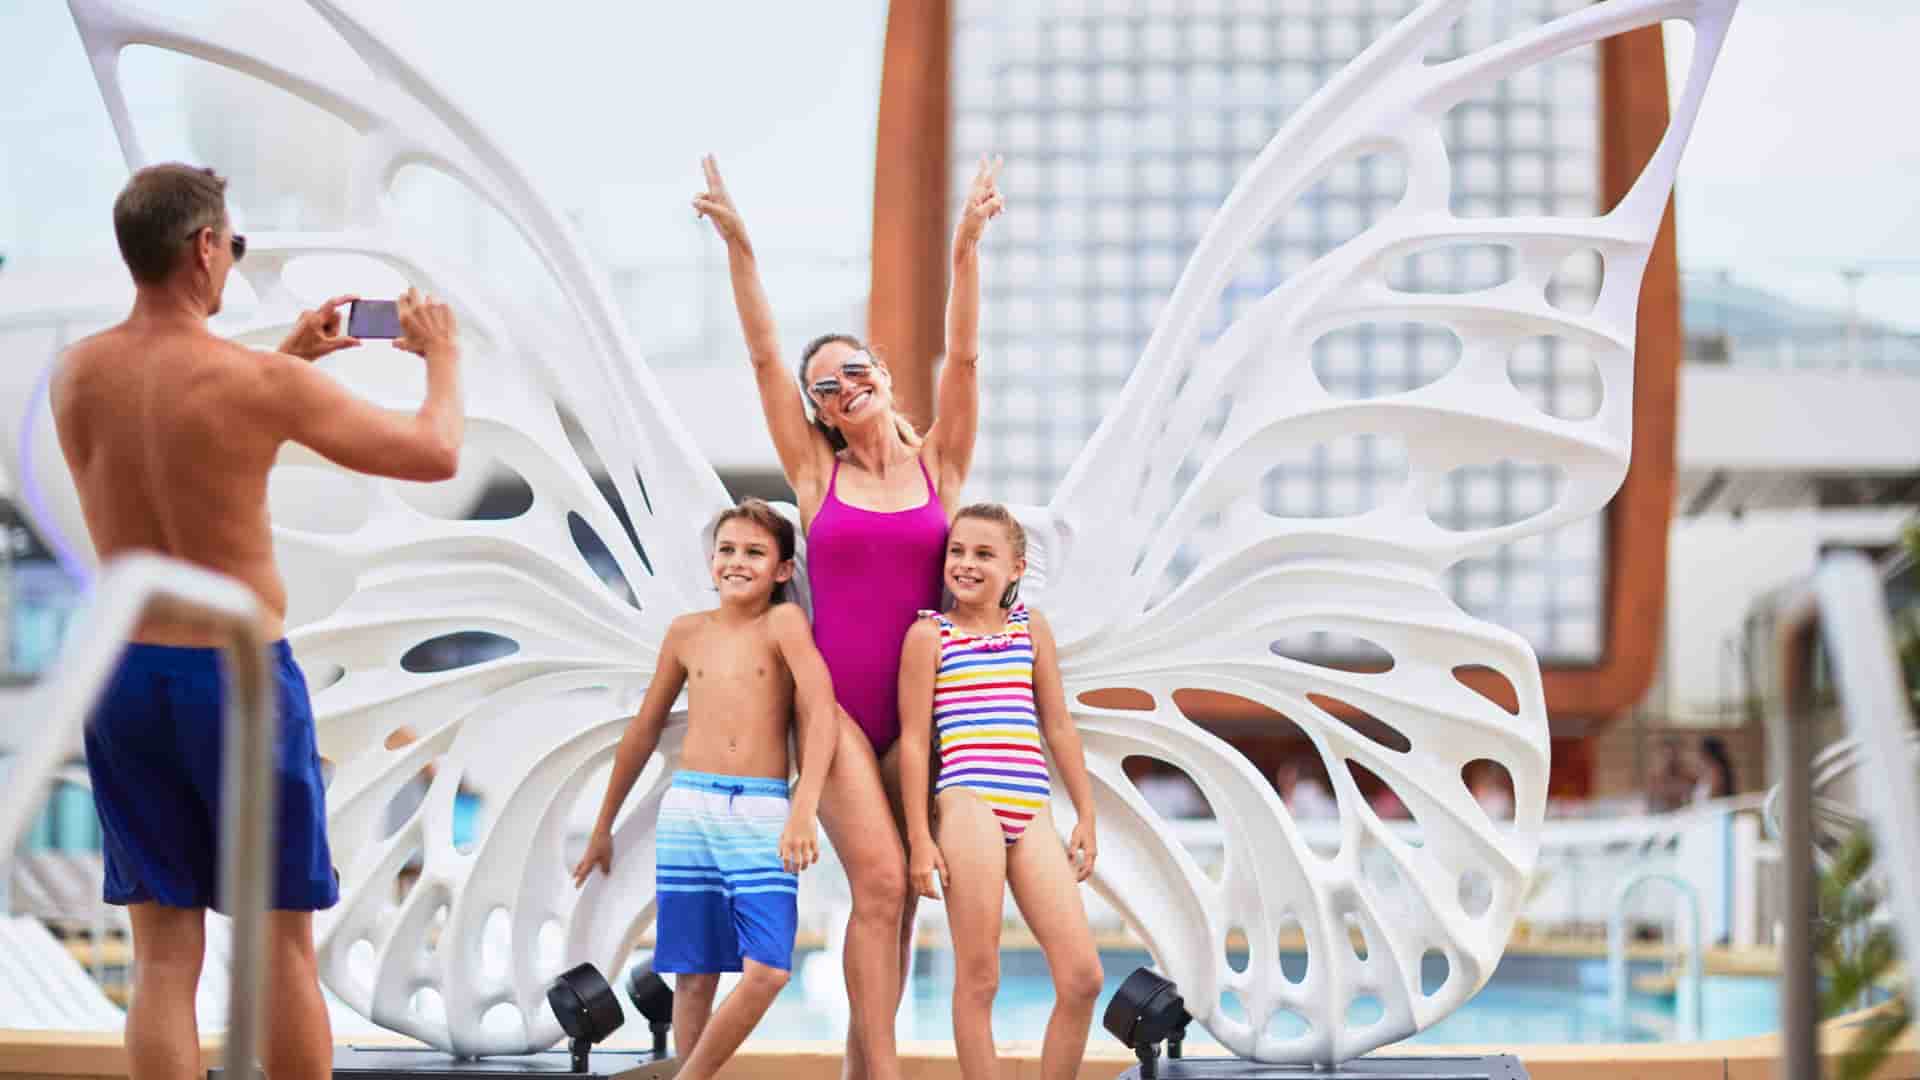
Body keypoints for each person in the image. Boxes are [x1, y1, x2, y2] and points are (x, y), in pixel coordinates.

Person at [52, 162, 464, 1080]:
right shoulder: (251, 384)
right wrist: (442, 355)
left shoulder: (77, 375)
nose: (231, 262)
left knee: (162, 955)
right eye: (230, 245)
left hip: (119, 678)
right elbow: (435, 453)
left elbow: (182, 422)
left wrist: (291, 356)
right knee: (280, 947)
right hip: (232, 679)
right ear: (203, 248)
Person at [693, 152, 1002, 1079]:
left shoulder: (940, 466)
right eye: (825, 385)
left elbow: (968, 355)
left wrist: (965, 250)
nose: (842, 387)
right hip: (831, 718)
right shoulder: (816, 474)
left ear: (885, 378)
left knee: (899, 903)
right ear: (816, 412)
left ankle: (863, 1069)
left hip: (923, 715)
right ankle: (882, 1073)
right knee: (873, 882)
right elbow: (758, 353)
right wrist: (741, 248)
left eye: (854, 370)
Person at [571, 499, 838, 1080]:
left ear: (783, 571)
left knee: (767, 968)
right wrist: (603, 827)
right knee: (693, 974)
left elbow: (820, 712)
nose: (737, 562)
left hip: (762, 808)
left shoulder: (784, 624)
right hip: (690, 808)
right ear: (712, 560)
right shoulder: (686, 633)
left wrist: (804, 806)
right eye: (727, 550)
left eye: (754, 553)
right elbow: (643, 732)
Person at [897, 504, 1104, 1080]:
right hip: (968, 804)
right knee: (981, 976)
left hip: (1032, 807)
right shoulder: (928, 635)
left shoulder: (1030, 629)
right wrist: (920, 838)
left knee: (1083, 976)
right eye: (957, 551)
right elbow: (916, 744)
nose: (965, 564)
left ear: (1015, 568)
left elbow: (1057, 724)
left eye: (983, 554)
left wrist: (1085, 814)